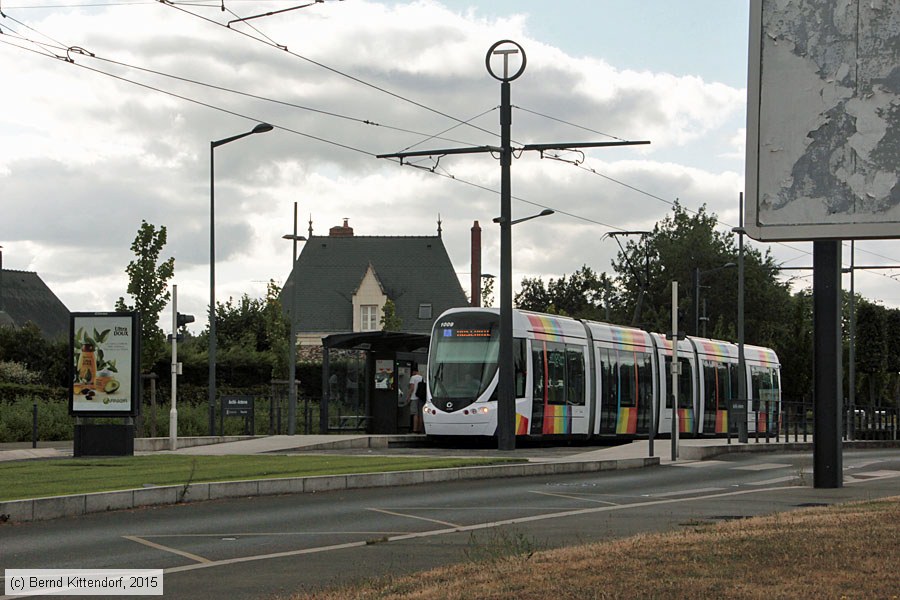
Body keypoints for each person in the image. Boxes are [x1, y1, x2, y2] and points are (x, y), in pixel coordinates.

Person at [407, 368, 425, 434]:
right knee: (420, 415)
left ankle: (415, 430)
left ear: (414, 372)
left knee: (415, 414)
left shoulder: (413, 377)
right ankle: (420, 430)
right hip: (421, 398)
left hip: (414, 397)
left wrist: (408, 397)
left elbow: (412, 388)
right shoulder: (422, 378)